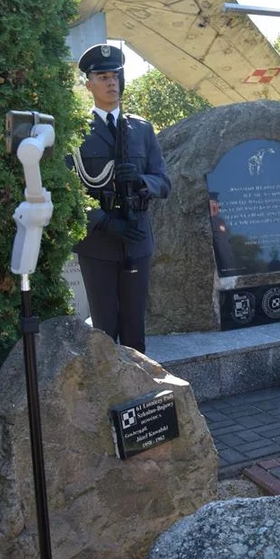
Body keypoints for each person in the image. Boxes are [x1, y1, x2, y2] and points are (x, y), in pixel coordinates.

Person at [68, 44, 171, 353]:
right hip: (99, 243)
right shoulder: (75, 131)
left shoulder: (140, 129)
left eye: (115, 75)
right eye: (102, 76)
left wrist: (140, 181)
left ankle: (138, 397)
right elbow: (69, 190)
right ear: (89, 85)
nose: (112, 82)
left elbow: (163, 182)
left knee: (135, 329)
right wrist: (103, 221)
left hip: (137, 238)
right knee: (104, 330)